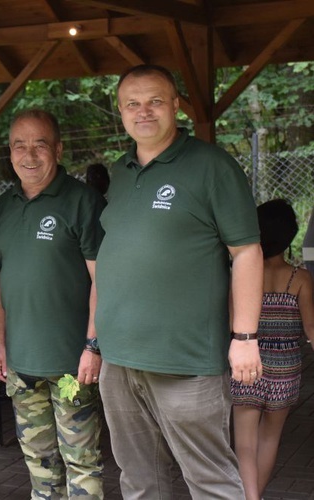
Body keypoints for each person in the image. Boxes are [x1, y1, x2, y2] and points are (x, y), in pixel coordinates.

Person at [94, 64, 264, 498]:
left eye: (154, 101)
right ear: (120, 111)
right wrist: (94, 343)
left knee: (208, 480)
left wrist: (245, 336)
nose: (143, 111)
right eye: (132, 103)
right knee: (138, 479)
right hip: (120, 359)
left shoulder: (211, 167)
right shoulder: (121, 170)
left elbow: (246, 252)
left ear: (175, 105)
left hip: (186, 361)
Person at [0, 109, 106, 499]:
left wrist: (93, 345)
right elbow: (2, 281)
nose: (29, 155)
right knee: (39, 465)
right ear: (9, 153)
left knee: (82, 462)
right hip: (22, 366)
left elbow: (103, 281)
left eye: (39, 144)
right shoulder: (3, 207)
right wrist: (1, 344)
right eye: (19, 146)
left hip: (73, 364)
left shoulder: (83, 202)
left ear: (57, 149)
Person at [231, 199, 314, 500]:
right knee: (269, 439)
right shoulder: (301, 279)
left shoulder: (242, 276)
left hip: (247, 365)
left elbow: (233, 324)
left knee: (245, 444)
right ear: (290, 235)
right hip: (286, 369)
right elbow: (311, 329)